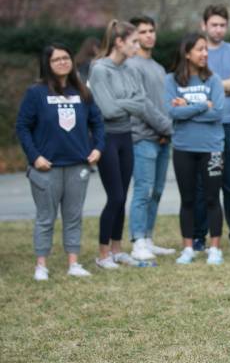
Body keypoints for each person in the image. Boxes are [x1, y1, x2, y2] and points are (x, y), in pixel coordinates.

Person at [16, 43, 105, 281]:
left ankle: (73, 263)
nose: (63, 62)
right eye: (57, 59)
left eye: (66, 57)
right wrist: (35, 157)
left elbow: (98, 123)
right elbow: (23, 127)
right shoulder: (36, 93)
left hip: (78, 165)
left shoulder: (82, 92)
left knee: (73, 216)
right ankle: (41, 265)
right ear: (48, 64)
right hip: (47, 167)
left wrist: (97, 148)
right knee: (46, 218)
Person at [88, 20, 162, 269]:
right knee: (115, 196)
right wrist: (128, 102)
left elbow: (141, 103)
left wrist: (125, 102)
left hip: (126, 136)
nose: (137, 44)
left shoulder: (130, 68)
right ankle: (103, 254)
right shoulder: (100, 70)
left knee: (123, 196)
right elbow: (107, 110)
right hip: (107, 138)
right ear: (119, 43)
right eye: (132, 41)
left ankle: (118, 250)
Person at [194, 4, 230, 251]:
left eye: (222, 25)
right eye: (213, 25)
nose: (218, 30)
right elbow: (192, 88)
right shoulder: (197, 51)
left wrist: (212, 85)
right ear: (204, 26)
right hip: (202, 126)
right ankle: (199, 237)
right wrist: (226, 84)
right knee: (203, 184)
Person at [165, 32, 226, 266]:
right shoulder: (171, 81)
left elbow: (218, 113)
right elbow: (172, 113)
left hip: (211, 148)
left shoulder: (214, 81)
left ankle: (214, 248)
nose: (204, 54)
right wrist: (202, 105)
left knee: (212, 198)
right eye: (200, 49)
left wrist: (188, 107)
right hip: (183, 147)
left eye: (206, 50)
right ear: (187, 53)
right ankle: (188, 248)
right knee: (187, 199)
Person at [127, 15, 175, 261]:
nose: (149, 35)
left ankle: (148, 238)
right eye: (143, 31)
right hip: (143, 138)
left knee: (156, 191)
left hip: (163, 138)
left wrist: (167, 128)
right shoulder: (132, 66)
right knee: (142, 191)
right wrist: (166, 127)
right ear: (134, 36)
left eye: (151, 31)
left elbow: (163, 103)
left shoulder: (158, 67)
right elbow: (142, 104)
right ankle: (137, 241)